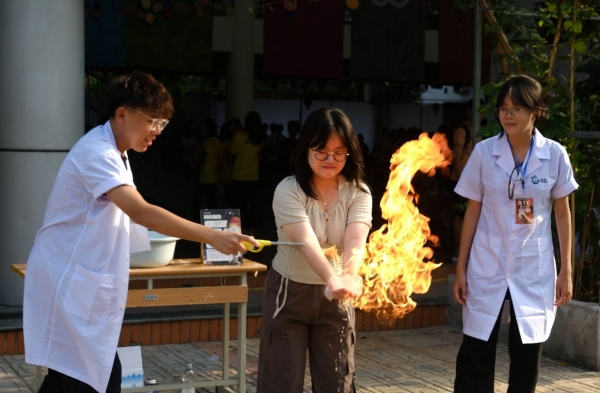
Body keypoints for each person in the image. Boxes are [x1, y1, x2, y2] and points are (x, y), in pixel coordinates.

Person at [22, 71, 258, 393]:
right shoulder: (98, 153)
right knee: (95, 378)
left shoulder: (117, 152)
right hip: (66, 284)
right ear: (123, 114)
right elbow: (141, 211)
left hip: (77, 285)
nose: (157, 132)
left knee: (74, 378)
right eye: (153, 122)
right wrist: (213, 236)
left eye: (162, 124)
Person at [452, 75, 578, 392]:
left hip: (532, 267)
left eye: (518, 108)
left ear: (536, 112)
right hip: (487, 263)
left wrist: (567, 270)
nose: (509, 115)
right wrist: (460, 268)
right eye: (504, 108)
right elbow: (472, 211)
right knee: (476, 352)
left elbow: (562, 213)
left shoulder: (554, 155)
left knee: (525, 358)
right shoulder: (484, 153)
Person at [257, 108, 372, 393]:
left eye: (339, 152)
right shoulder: (288, 190)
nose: (330, 160)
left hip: (337, 300)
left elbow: (356, 240)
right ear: (305, 148)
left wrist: (347, 276)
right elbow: (306, 242)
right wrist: (331, 279)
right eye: (322, 151)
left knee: (337, 382)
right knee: (282, 381)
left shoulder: (359, 192)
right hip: (289, 294)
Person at [450, 99, 485, 260]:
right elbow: (456, 158)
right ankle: (458, 250)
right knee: (459, 216)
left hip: (475, 182)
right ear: (469, 112)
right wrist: (461, 182)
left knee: (470, 215)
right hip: (460, 180)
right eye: (477, 110)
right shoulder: (463, 130)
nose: (481, 114)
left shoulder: (479, 130)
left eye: (483, 110)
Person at [229, 111, 264, 234]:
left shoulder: (240, 135)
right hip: (254, 176)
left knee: (240, 205)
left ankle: (242, 230)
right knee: (254, 205)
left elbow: (232, 152)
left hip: (239, 176)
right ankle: (252, 231)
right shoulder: (259, 138)